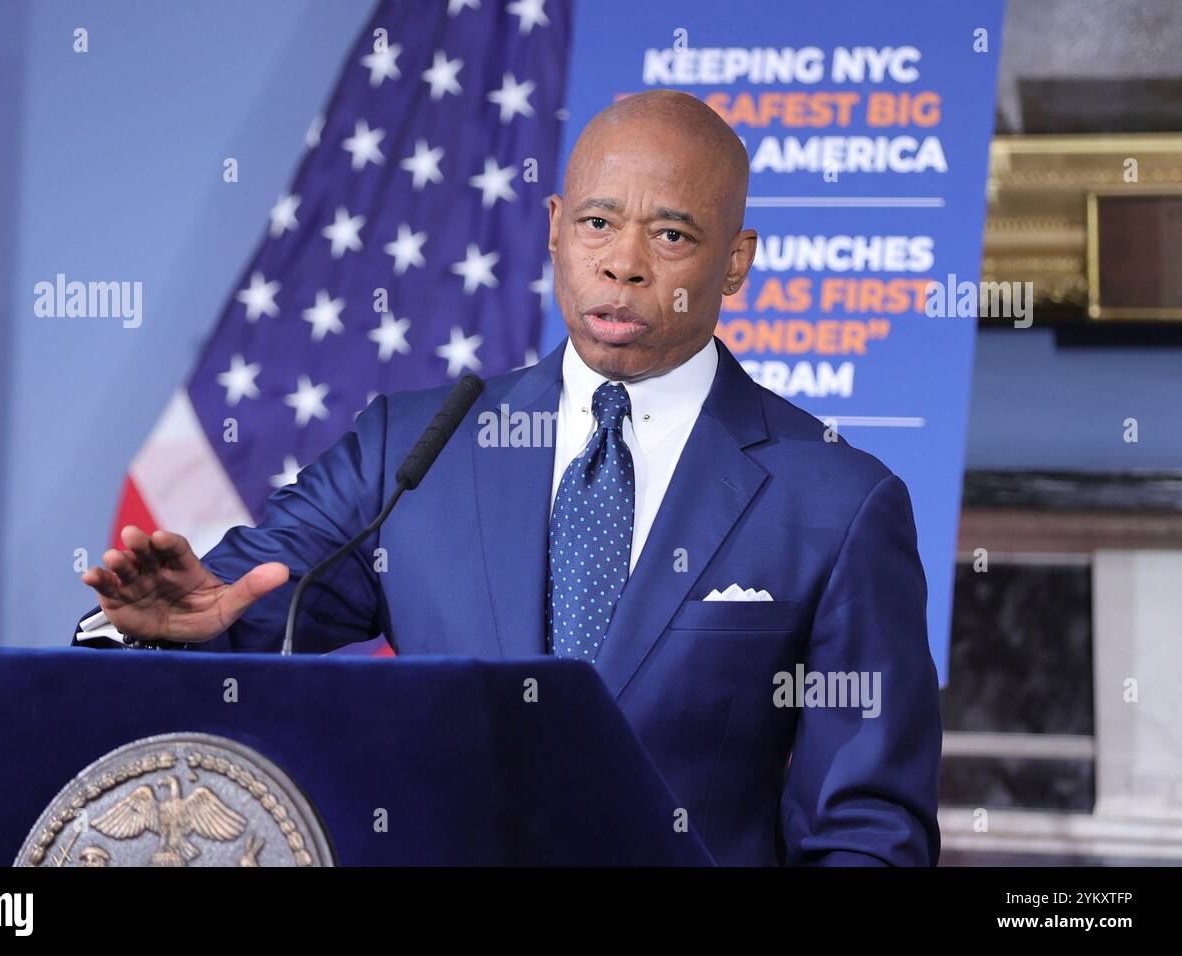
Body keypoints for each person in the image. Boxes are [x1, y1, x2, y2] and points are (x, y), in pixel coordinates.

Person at [78, 90, 942, 866]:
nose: (624, 264)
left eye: (672, 235)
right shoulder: (413, 450)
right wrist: (163, 629)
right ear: (557, 227)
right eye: (598, 225)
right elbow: (247, 603)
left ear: (738, 260)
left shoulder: (833, 501)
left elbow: (867, 835)